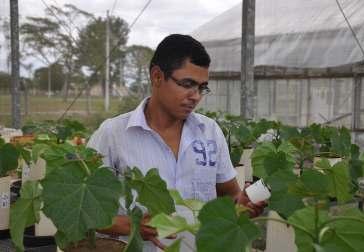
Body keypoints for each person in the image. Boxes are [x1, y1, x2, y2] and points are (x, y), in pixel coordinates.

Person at [87, 34, 266, 251]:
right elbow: (86, 214)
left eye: (202, 88)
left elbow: (230, 195)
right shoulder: (113, 134)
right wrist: (131, 225)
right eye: (187, 84)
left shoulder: (210, 132)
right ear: (157, 77)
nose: (195, 96)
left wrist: (242, 204)